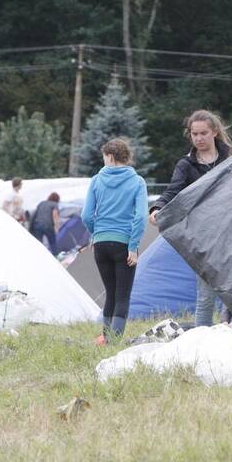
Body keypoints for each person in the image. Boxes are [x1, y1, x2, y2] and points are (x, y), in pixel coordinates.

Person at [150, 110, 232, 326]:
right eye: (194, 134)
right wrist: (158, 207)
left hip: (231, 233)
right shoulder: (186, 165)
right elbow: (173, 190)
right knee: (206, 295)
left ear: (214, 132)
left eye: (203, 133)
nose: (198, 138)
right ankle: (201, 346)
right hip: (203, 237)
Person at [83, 138, 148, 344]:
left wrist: (97, 234)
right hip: (123, 243)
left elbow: (86, 215)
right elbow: (140, 217)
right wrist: (133, 246)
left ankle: (106, 338)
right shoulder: (137, 182)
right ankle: (114, 342)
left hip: (101, 244)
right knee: (122, 295)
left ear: (110, 157)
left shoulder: (96, 180)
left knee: (110, 293)